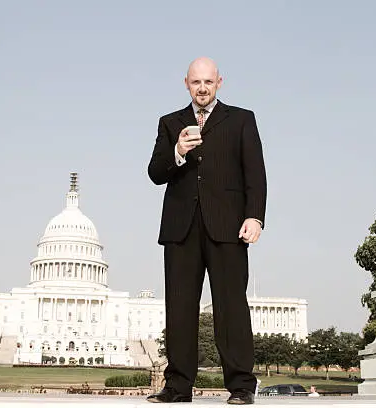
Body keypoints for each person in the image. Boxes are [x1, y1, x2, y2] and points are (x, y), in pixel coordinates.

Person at [146, 57, 267, 405]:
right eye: (196, 82)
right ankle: (178, 387)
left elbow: (255, 173)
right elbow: (155, 172)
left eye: (208, 83)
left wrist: (254, 217)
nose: (202, 88)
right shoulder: (170, 123)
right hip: (180, 228)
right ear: (186, 83)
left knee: (230, 307)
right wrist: (177, 151)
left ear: (219, 83)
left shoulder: (242, 119)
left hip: (228, 225)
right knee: (180, 308)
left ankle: (242, 385)